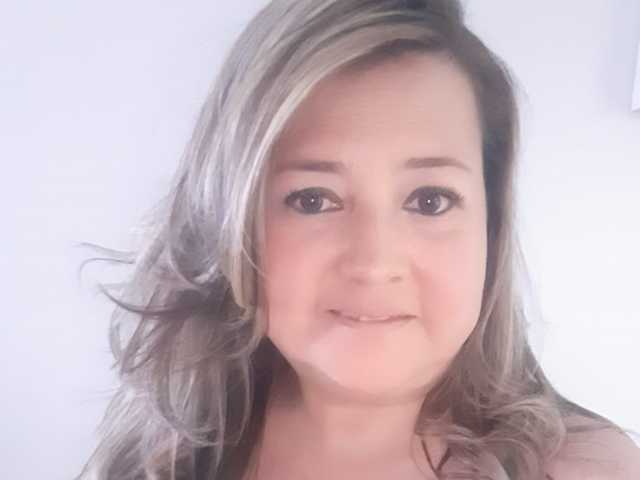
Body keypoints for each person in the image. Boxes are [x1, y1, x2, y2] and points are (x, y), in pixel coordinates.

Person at [75, 1, 640, 479]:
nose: (374, 262)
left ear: (490, 226)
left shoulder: (587, 469)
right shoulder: (163, 451)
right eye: (312, 200)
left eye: (429, 200)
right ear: (233, 219)